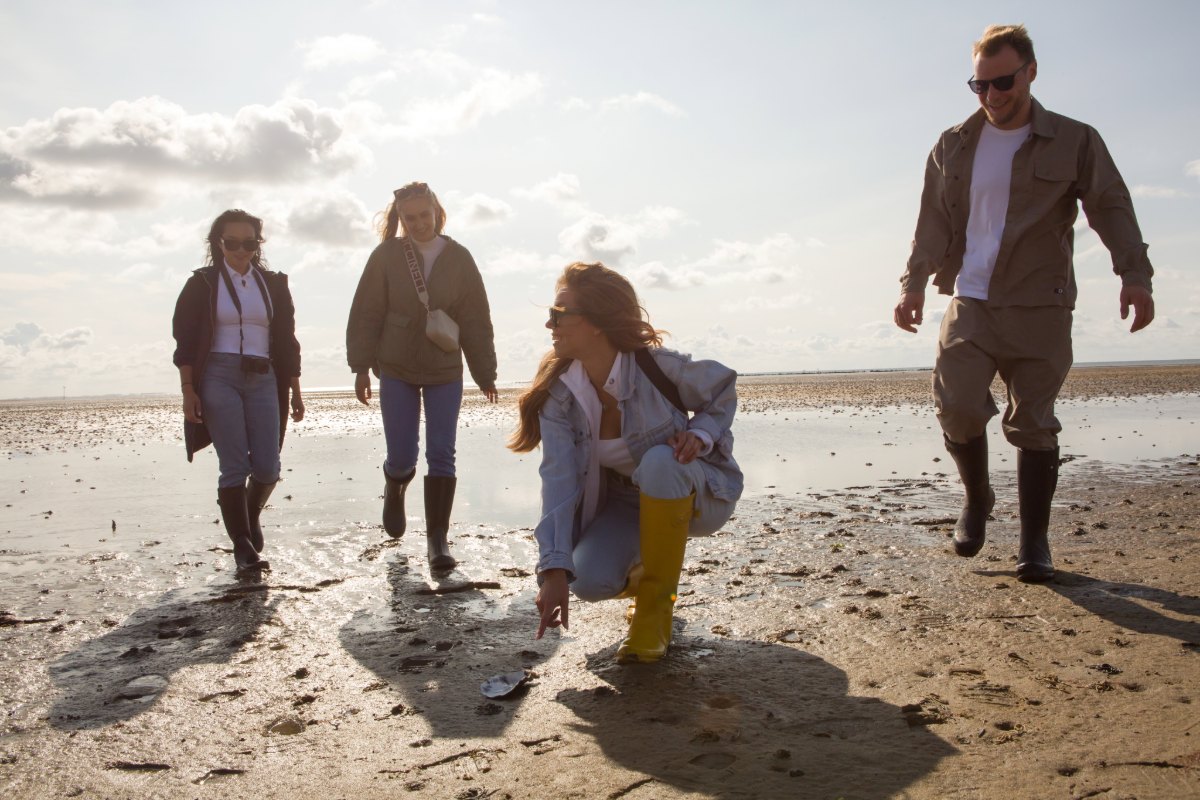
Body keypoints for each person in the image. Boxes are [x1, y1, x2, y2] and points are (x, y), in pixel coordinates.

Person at [893, 24, 1155, 582]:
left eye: (1002, 82)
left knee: (1033, 423)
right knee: (958, 405)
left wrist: (1134, 275)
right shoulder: (953, 144)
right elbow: (932, 221)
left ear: (1031, 72)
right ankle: (977, 499)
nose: (991, 95)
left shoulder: (1075, 140)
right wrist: (913, 283)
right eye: (979, 85)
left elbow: (1110, 206)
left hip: (1042, 304)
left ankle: (1034, 542)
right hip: (971, 300)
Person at [509, 262, 742, 663]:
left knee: (660, 461)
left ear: (597, 323)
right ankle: (652, 576)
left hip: (700, 494)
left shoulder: (658, 368)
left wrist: (701, 434)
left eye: (559, 314)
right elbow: (559, 482)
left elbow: (722, 388)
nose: (550, 324)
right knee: (588, 580)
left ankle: (655, 613)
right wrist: (553, 571)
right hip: (624, 502)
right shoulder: (560, 397)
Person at [346, 182, 498, 570]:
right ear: (400, 217)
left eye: (424, 215)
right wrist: (361, 367)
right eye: (409, 218)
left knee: (442, 452)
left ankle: (437, 541)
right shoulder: (386, 255)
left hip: (445, 366)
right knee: (402, 455)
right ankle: (394, 486)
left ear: (437, 212)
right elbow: (366, 312)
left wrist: (485, 372)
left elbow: (476, 318)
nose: (418, 224)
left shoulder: (459, 257)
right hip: (395, 366)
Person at [172, 209, 304, 574]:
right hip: (218, 374)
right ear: (219, 243)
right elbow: (185, 342)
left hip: (264, 376)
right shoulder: (202, 283)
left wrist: (295, 389)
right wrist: (188, 390)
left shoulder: (273, 284)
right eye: (232, 243)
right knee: (234, 465)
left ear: (258, 245)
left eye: (249, 243)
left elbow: (287, 340)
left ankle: (249, 512)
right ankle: (243, 545)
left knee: (268, 468)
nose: (241, 250)